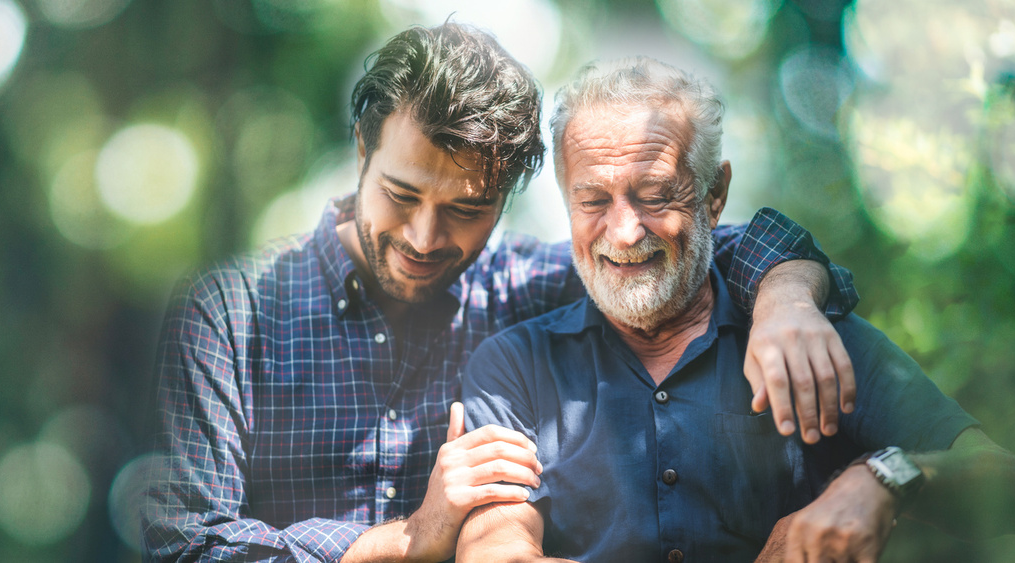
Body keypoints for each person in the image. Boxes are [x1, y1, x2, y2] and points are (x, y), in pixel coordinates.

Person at [144, 25, 859, 563]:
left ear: (510, 197)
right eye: (401, 194)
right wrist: (402, 538)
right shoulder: (228, 314)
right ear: (363, 151)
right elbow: (183, 545)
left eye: (466, 209)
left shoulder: (528, 286)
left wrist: (787, 297)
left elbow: (688, 246)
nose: (425, 238)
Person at [455, 56, 1015, 563]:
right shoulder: (514, 364)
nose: (625, 231)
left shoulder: (807, 337)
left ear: (714, 195)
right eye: (592, 200)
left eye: (656, 195)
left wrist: (884, 478)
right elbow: (493, 546)